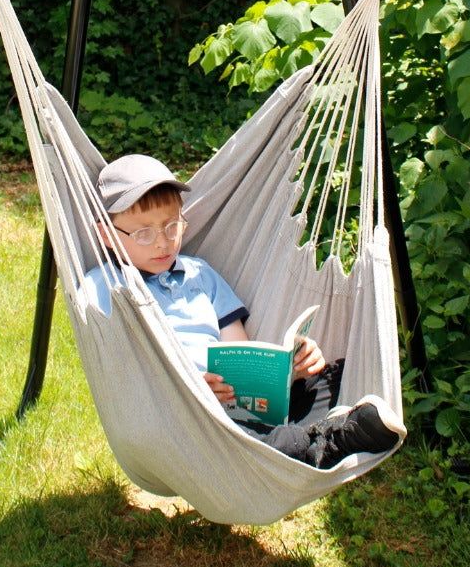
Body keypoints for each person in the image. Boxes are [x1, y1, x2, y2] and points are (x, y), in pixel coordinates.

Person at [84, 153, 403, 469]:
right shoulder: (105, 286)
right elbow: (119, 364)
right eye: (143, 233)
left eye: (171, 226)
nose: (162, 243)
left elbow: (238, 348)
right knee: (247, 440)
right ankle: (325, 442)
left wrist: (289, 368)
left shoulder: (199, 274)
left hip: (233, 401)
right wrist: (191, 385)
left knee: (327, 375)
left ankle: (307, 434)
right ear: (106, 235)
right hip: (178, 415)